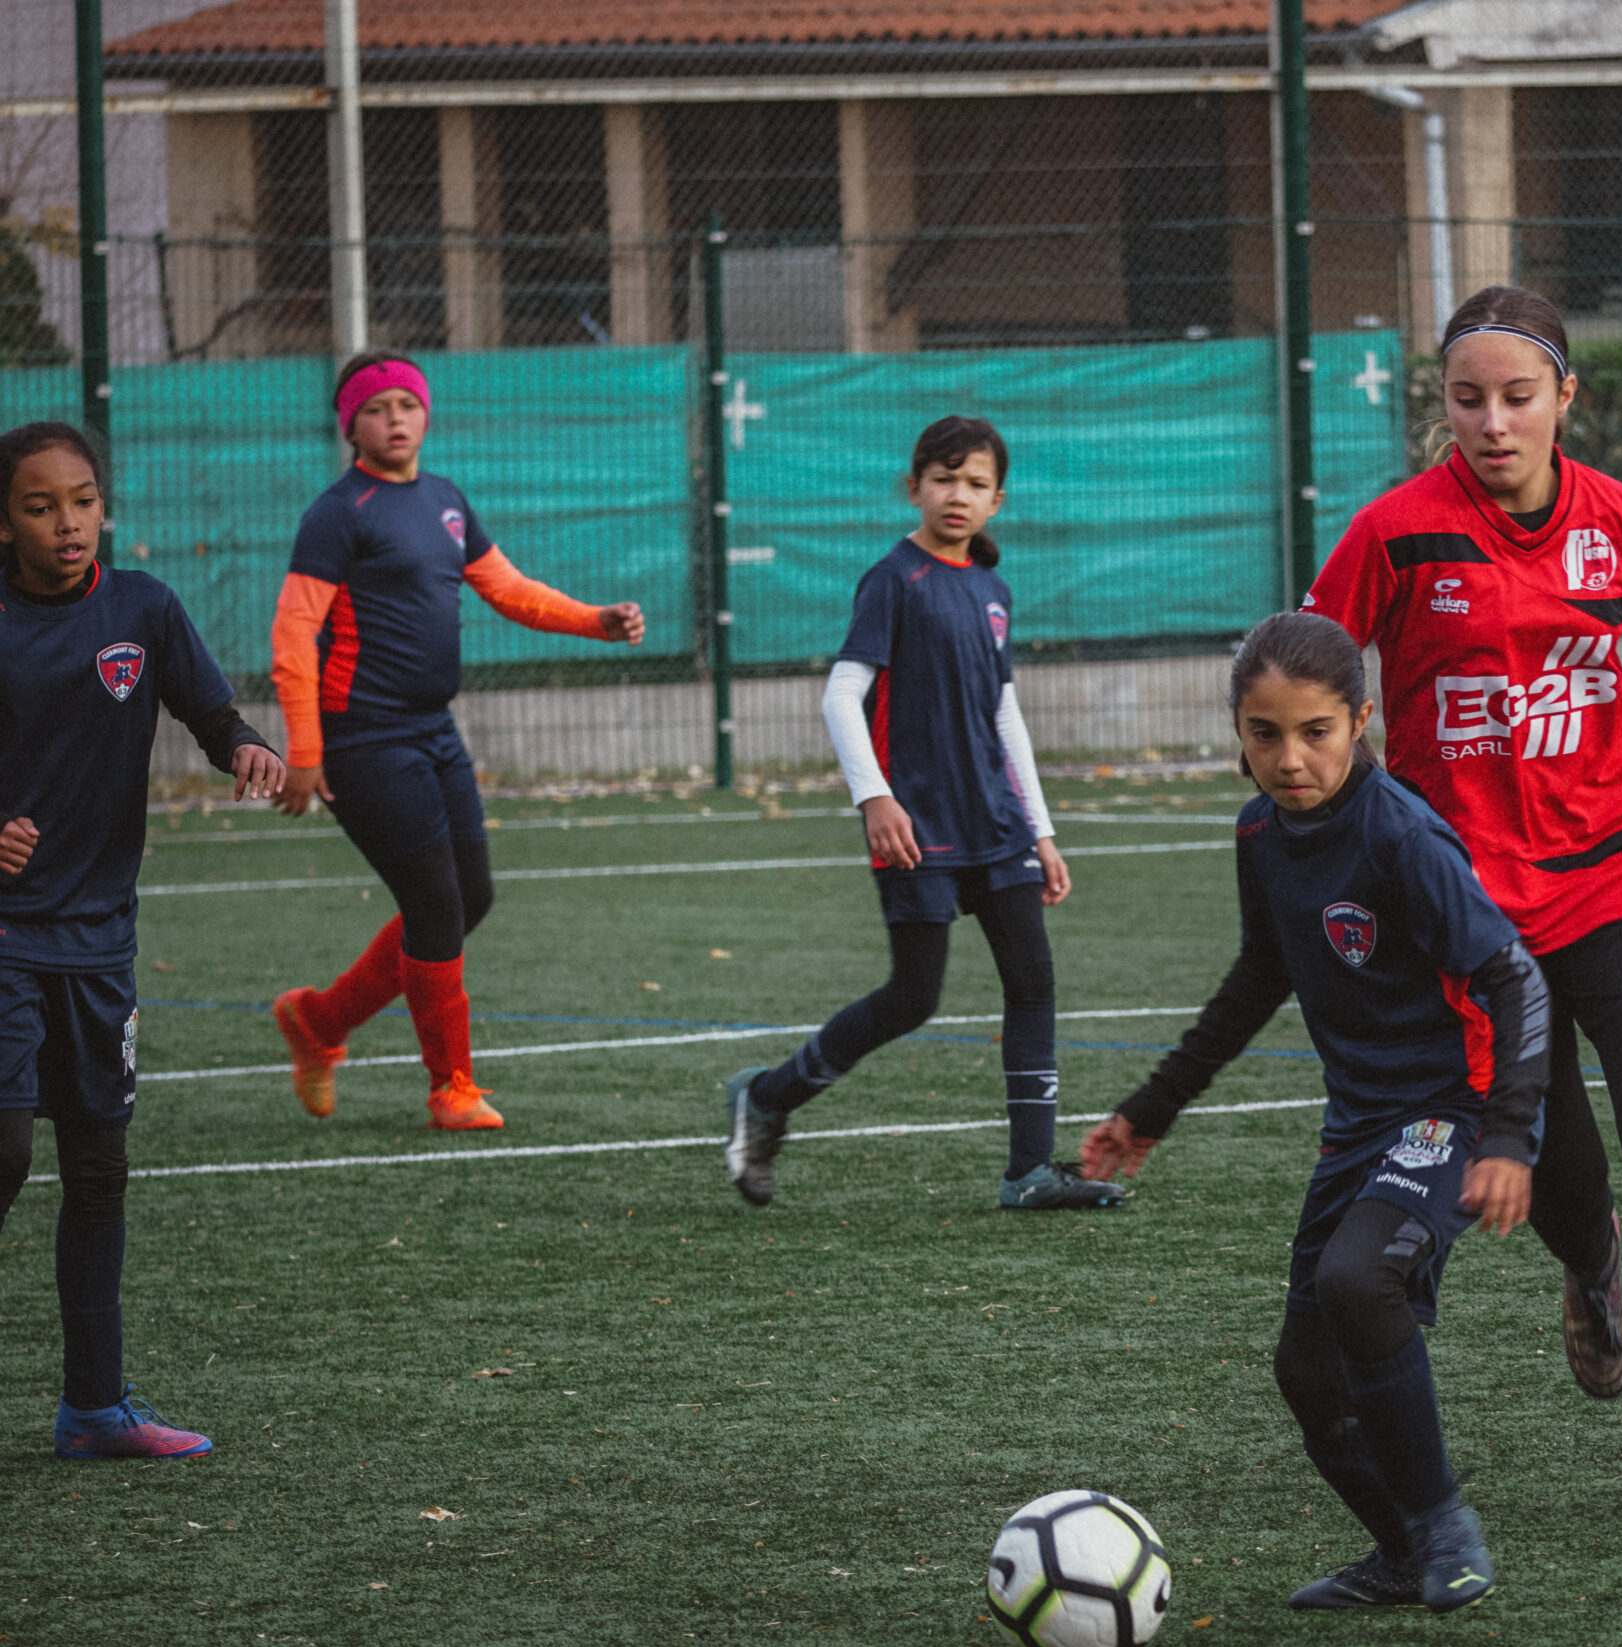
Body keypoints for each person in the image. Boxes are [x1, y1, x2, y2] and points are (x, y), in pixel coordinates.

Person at [1302, 285, 1622, 1504]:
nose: (1491, 421)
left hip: (1611, 871)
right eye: (1466, 399)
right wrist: (1314, 811)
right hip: (1471, 910)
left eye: (1517, 396)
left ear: (1564, 399)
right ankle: (1591, 1266)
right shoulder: (1394, 533)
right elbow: (1307, 664)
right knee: (1562, 1168)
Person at [1082, 612, 1549, 1612]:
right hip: (1361, 1125)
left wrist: (1508, 1133)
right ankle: (1399, 1556)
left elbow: (1515, 978)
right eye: (1264, 734)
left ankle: (1443, 1526)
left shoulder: (1398, 833)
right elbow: (1262, 972)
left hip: (1449, 1108)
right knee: (1307, 1375)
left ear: (1360, 721)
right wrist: (1154, 1107)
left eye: (1315, 732)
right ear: (1239, 731)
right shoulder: (1259, 832)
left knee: (1358, 1279)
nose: (1289, 759)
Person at [722, 417, 1119, 1211]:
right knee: (914, 996)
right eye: (943, 479)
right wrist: (875, 796)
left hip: (996, 824)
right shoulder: (891, 580)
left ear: (997, 499)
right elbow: (841, 694)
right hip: (919, 825)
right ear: (914, 487)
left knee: (1033, 980)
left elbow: (1005, 716)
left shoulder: (993, 589)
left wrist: (1041, 829)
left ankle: (1029, 1171)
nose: (957, 495)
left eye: (975, 483)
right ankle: (767, 1096)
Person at [0, 421, 286, 1457]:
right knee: (3, 1150)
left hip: (98, 940)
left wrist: (248, 749)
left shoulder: (143, 609)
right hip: (3, 934)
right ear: (5, 522)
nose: (66, 522)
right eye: (40, 505)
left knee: (99, 1170)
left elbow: (213, 716)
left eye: (81, 500)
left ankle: (94, 1409)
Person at [267, 351, 646, 1131]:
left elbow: (507, 588)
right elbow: (293, 634)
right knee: (435, 901)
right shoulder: (339, 512)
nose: (395, 418)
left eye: (408, 403)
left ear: (427, 413)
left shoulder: (444, 500)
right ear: (352, 426)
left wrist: (593, 620)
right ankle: (451, 1088)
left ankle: (321, 1022)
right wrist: (304, 750)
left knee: (469, 896)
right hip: (363, 739)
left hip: (434, 729)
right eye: (377, 408)